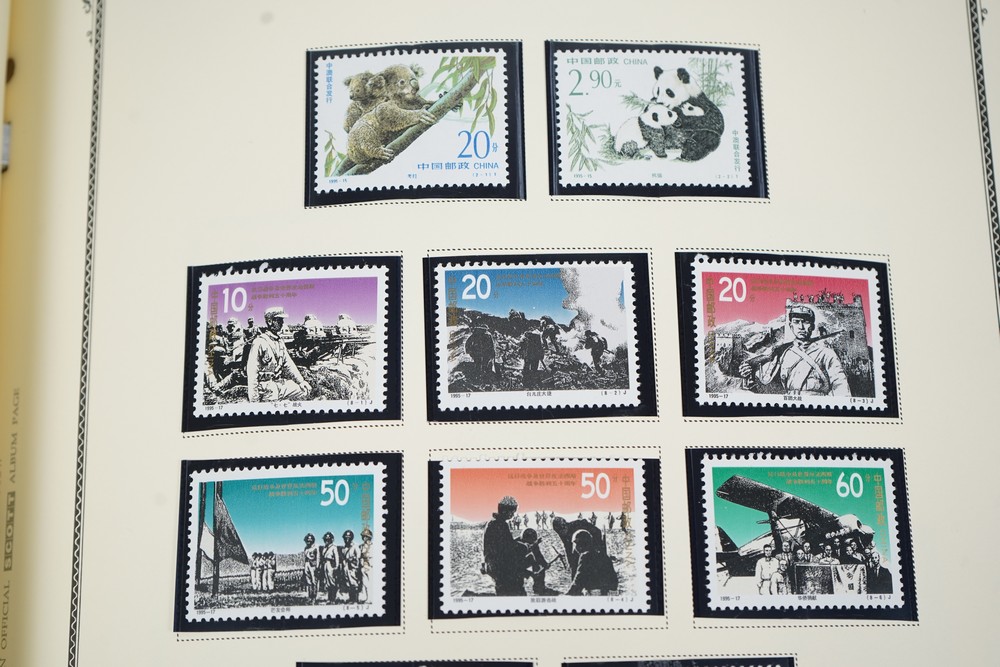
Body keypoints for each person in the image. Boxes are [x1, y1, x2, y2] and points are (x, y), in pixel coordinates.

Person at [739, 305, 851, 396]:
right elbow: (770, 387)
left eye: (806, 322)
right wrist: (749, 374)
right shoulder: (784, 353)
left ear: (812, 326)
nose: (801, 327)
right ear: (791, 325)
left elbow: (840, 386)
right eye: (796, 322)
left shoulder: (827, 354)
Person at [247, 306, 312, 403]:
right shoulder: (259, 342)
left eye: (282, 320)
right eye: (279, 320)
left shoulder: (280, 342)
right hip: (266, 386)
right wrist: (254, 400)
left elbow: (289, 364)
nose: (282, 323)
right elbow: (252, 372)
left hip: (280, 383)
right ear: (270, 321)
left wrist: (301, 381)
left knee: (304, 390)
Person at [483, 496, 527, 596]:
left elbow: (505, 543)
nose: (513, 515)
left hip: (494, 564)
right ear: (504, 511)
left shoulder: (494, 523)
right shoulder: (499, 525)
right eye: (512, 512)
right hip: (500, 566)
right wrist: (523, 547)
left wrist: (518, 541)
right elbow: (506, 547)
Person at [567, 530, 618, 595]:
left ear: (580, 545)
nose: (575, 548)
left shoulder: (585, 556)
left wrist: (567, 595)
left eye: (575, 544)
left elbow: (579, 581)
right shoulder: (604, 556)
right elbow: (614, 581)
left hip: (596, 595)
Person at [516, 528, 548, 595]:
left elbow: (538, 555)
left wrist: (544, 564)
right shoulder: (516, 545)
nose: (530, 544)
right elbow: (516, 566)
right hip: (513, 565)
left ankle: (538, 586)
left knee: (536, 562)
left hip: (522, 561)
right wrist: (530, 574)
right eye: (529, 543)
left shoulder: (533, 542)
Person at [340, 530, 363, 603]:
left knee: (354, 582)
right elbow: (343, 557)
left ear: (351, 537)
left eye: (348, 537)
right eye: (345, 537)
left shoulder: (355, 546)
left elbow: (358, 557)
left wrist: (354, 563)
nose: (347, 538)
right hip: (346, 567)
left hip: (353, 567)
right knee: (348, 583)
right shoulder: (344, 548)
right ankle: (351, 599)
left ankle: (355, 600)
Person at [320, 531, 340, 603]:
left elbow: (336, 557)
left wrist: (336, 566)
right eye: (325, 539)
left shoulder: (334, 547)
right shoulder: (325, 548)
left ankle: (333, 599)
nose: (326, 541)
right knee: (327, 582)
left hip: (331, 564)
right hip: (325, 564)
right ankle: (329, 598)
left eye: (328, 540)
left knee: (332, 581)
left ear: (331, 540)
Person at [302, 533, 321, 602]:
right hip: (307, 564)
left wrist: (317, 566)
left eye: (310, 539)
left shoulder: (316, 547)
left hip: (313, 565)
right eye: (307, 539)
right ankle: (310, 596)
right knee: (308, 582)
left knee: (314, 581)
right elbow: (304, 557)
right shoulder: (306, 548)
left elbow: (318, 557)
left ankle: (314, 597)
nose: (309, 541)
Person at [359, 527, 373, 602]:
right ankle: (366, 597)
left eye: (365, 536)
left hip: (370, 566)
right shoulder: (361, 546)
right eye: (363, 536)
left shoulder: (373, 546)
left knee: (371, 582)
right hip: (363, 566)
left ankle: (371, 598)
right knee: (365, 583)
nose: (364, 538)